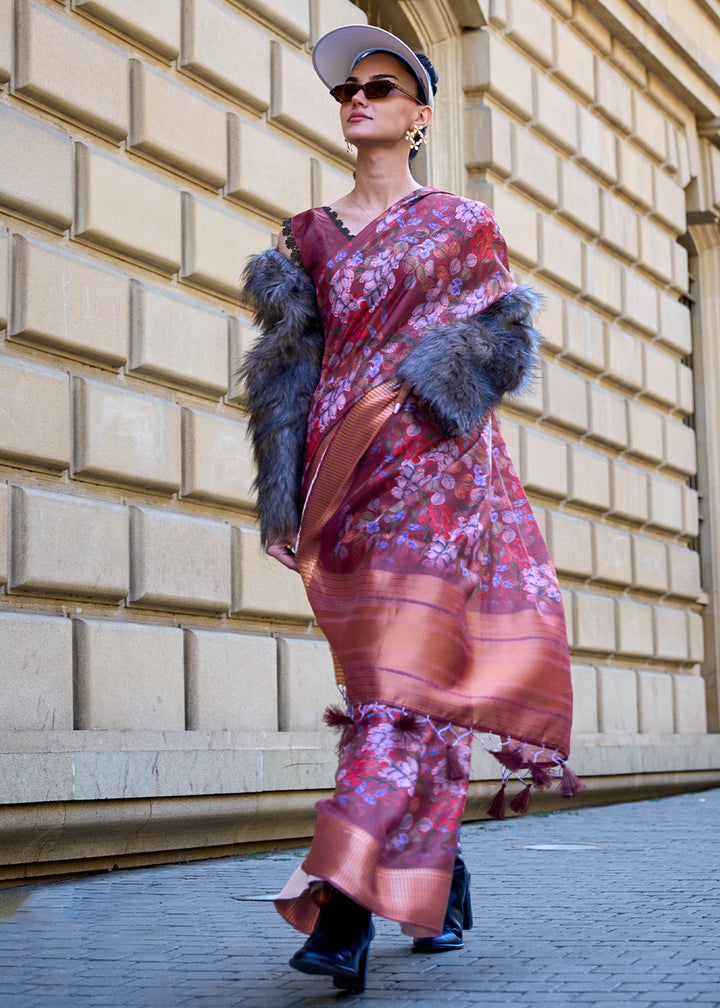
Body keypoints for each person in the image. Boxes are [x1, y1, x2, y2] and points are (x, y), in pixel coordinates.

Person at [240, 24, 583, 994]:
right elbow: (287, 375)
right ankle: (447, 876)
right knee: (401, 703)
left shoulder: (462, 224)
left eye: (382, 87)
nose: (360, 98)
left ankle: (341, 912)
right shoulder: (304, 238)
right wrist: (284, 492)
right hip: (344, 493)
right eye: (350, 88)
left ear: (421, 114)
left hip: (436, 481)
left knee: (394, 701)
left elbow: (503, 341)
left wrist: (427, 392)